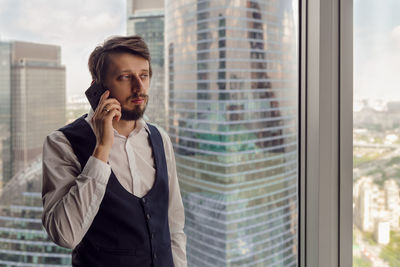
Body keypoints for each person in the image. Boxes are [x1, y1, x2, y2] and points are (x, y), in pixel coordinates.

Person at [41, 35, 187, 267]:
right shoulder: (62, 143)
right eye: (125, 77)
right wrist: (102, 148)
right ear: (97, 87)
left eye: (144, 75)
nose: (139, 88)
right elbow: (65, 235)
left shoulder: (161, 139)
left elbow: (175, 227)